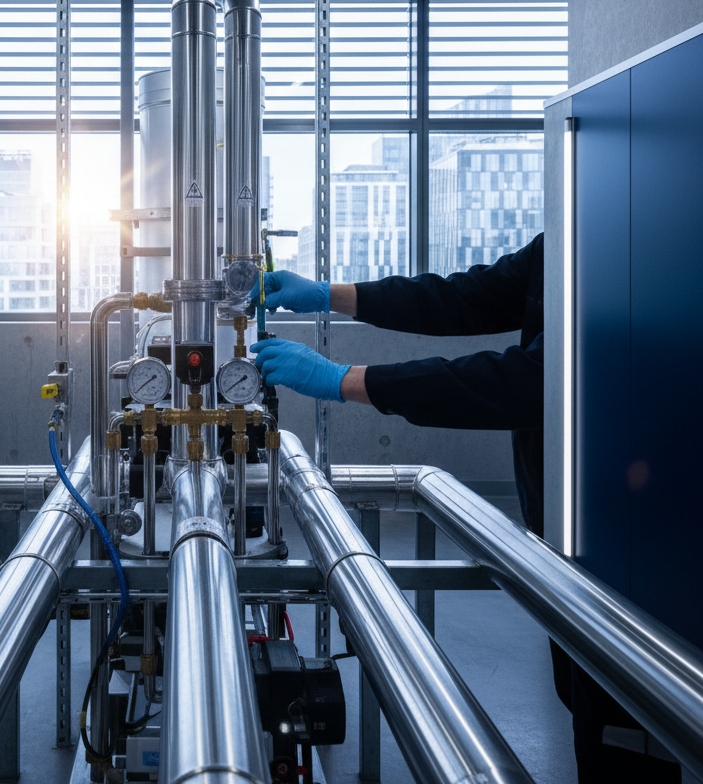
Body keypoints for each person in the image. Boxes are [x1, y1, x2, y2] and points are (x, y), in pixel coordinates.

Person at [249, 233, 681, 784]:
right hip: (569, 538)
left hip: (634, 546)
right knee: (585, 703)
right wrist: (330, 294)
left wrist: (347, 380)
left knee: (630, 733)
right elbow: (462, 297)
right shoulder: (568, 238)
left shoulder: (640, 251)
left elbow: (532, 381)